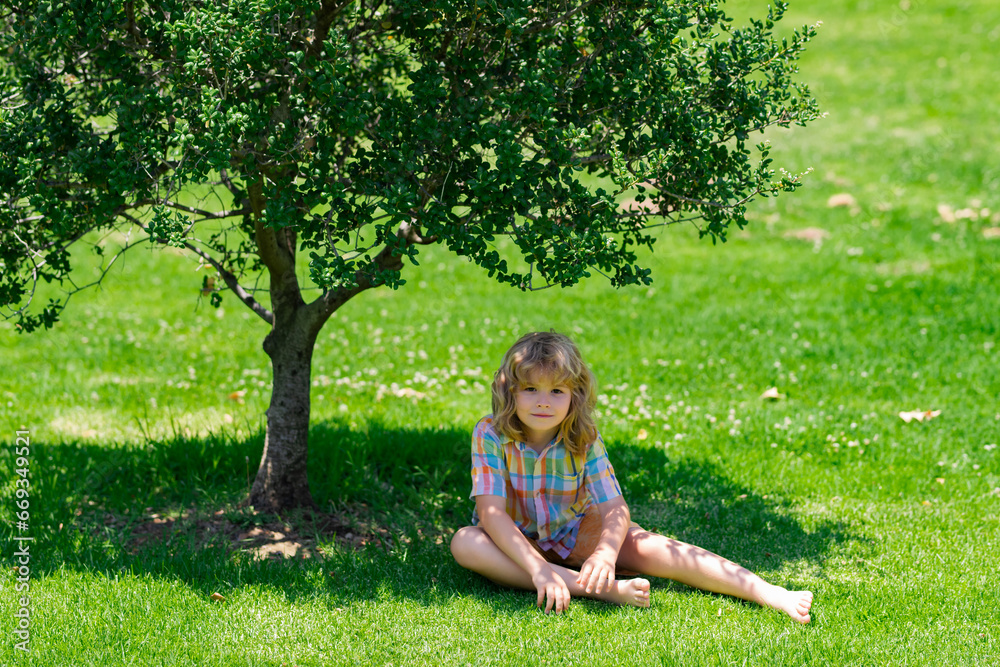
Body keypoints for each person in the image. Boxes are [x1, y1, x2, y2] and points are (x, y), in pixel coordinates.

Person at [450, 331, 813, 622]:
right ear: (508, 391)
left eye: (556, 391)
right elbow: (491, 513)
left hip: (574, 529)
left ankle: (766, 591)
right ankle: (589, 587)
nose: (543, 401)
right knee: (465, 543)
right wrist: (539, 570)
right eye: (531, 389)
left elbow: (614, 507)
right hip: (513, 541)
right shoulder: (491, 433)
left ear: (574, 397)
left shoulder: (583, 437)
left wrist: (606, 556)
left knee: (655, 548)